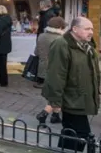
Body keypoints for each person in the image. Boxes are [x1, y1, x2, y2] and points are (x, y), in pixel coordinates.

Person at [41, 17, 99, 152]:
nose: (91, 32)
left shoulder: (87, 46)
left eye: (92, 29)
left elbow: (93, 71)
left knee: (71, 133)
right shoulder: (61, 44)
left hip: (81, 98)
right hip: (71, 99)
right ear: (75, 29)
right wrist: (55, 102)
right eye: (87, 29)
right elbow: (56, 75)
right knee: (80, 134)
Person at [34, 17, 67, 90]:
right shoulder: (62, 38)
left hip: (41, 72)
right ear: (60, 27)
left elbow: (36, 52)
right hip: (56, 72)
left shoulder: (41, 36)